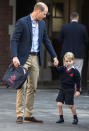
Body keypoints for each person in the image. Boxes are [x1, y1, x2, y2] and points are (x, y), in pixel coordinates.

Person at [10, 2, 59, 124]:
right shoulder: (22, 22)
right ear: (37, 11)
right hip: (23, 58)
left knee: (33, 87)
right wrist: (15, 56)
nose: (45, 16)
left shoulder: (42, 24)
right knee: (22, 85)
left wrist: (54, 56)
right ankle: (20, 114)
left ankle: (28, 115)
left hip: (35, 58)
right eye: (44, 13)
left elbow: (46, 41)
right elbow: (14, 40)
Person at [58, 12, 88, 86]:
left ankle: (66, 86)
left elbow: (59, 39)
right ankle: (77, 88)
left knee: (66, 70)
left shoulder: (64, 27)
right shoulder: (83, 27)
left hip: (67, 54)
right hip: (79, 53)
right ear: (78, 18)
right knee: (78, 71)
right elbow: (86, 40)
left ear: (70, 18)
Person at [55, 52, 80, 124]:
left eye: (70, 61)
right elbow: (57, 70)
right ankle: (61, 118)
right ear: (64, 61)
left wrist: (78, 91)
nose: (68, 63)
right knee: (59, 104)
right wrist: (56, 65)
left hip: (70, 90)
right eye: (66, 61)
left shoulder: (75, 72)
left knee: (71, 106)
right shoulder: (62, 68)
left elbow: (78, 82)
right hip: (62, 89)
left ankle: (75, 118)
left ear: (73, 61)